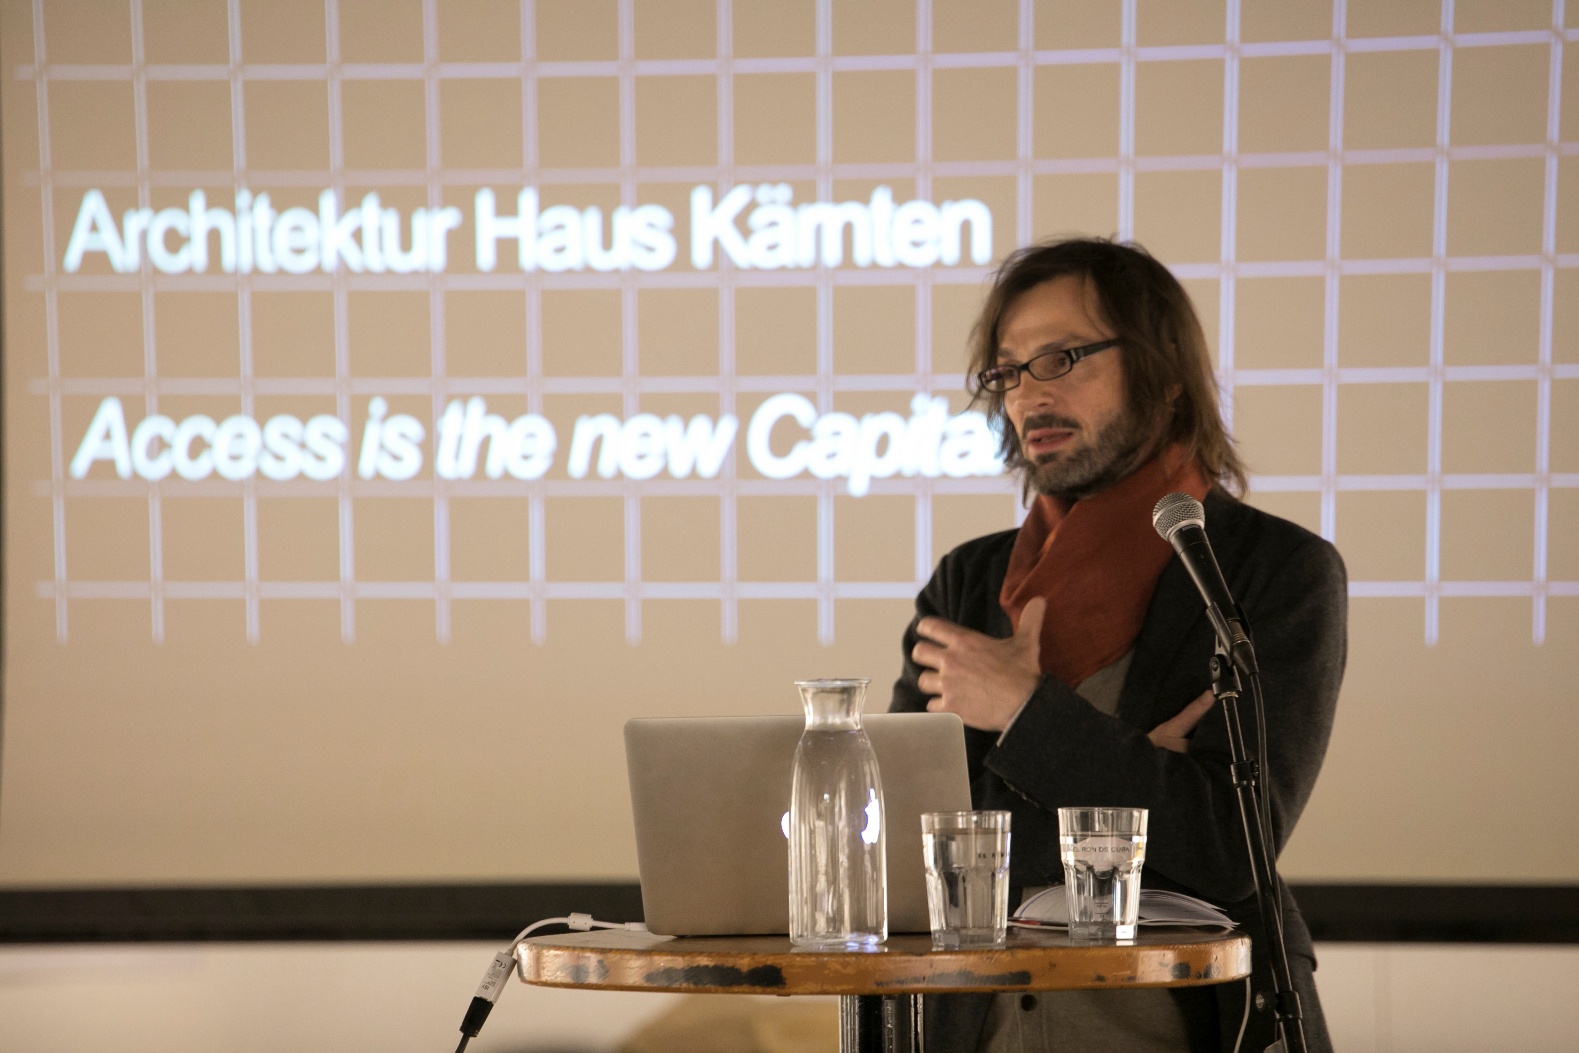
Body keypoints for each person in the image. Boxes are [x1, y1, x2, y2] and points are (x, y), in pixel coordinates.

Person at [890, 238, 1345, 1053]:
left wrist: (1024, 712)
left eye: (1061, 358)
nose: (1029, 394)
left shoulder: (1268, 570)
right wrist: (1134, 788)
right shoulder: (969, 582)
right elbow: (904, 852)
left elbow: (1228, 845)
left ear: (1163, 373)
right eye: (1008, 371)